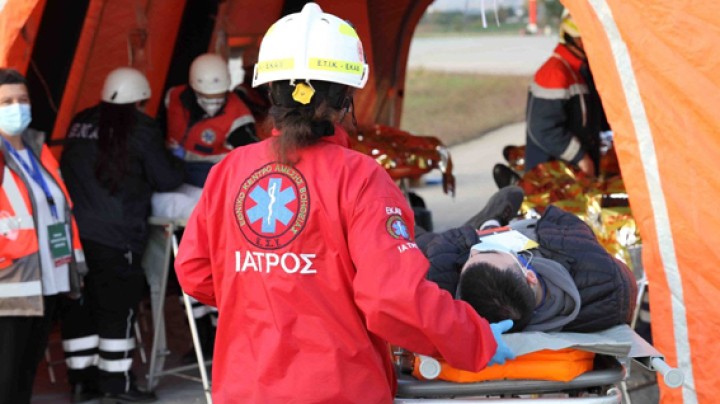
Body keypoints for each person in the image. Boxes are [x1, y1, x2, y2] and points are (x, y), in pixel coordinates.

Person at [174, 3, 515, 402]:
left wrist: (269, 296)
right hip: (338, 389)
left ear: (269, 90)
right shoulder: (360, 178)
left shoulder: (229, 171)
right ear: (345, 97)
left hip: (244, 390)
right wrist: (474, 338)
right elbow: (394, 297)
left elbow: (195, 272)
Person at [59, 67, 184, 403]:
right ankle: (117, 385)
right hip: (117, 236)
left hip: (74, 235)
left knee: (80, 307)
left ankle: (82, 384)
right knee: (116, 309)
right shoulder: (141, 128)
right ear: (140, 100)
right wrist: (178, 159)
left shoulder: (80, 121)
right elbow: (167, 179)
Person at [419, 186, 638, 333]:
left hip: (447, 247)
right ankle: (489, 224)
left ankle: (487, 225)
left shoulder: (447, 295)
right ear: (530, 276)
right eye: (490, 251)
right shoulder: (604, 284)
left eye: (473, 256)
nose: (476, 251)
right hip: (545, 245)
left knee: (416, 241)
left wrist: (469, 241)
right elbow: (564, 220)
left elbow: (443, 248)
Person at [0, 68, 86, 404]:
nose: (16, 107)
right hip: (9, 283)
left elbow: (61, 208)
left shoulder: (37, 147)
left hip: (47, 279)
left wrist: (75, 263)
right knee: (6, 381)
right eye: (6, 102)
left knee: (24, 377)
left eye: (22, 99)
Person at [524, 10, 609, 176]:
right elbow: (543, 129)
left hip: (573, 175)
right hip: (552, 178)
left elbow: (593, 116)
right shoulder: (554, 73)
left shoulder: (580, 71)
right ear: (576, 40)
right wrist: (580, 157)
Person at [165, 52, 259, 187]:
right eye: (206, 97)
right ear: (193, 89)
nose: (213, 103)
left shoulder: (239, 119)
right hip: (170, 163)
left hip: (208, 174)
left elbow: (253, 157)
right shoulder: (174, 97)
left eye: (219, 96)